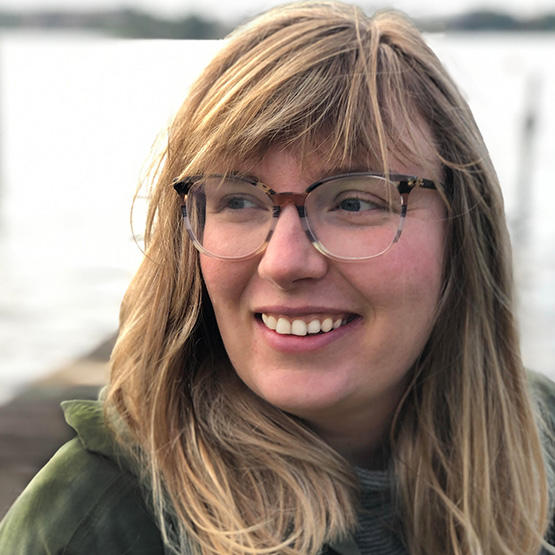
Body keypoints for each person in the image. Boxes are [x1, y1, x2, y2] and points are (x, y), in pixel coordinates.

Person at [1, 1, 553, 554]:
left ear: (463, 230)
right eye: (238, 200)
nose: (285, 262)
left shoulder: (541, 444)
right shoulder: (90, 525)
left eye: (356, 203)